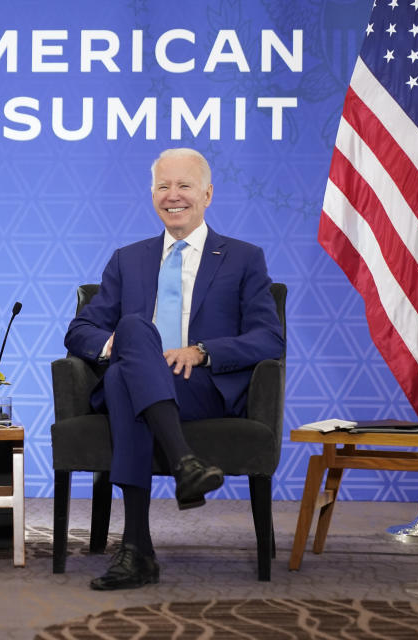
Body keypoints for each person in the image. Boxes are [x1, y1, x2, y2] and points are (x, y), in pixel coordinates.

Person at [64, 148, 284, 590]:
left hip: (197, 387)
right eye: (163, 186)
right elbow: (80, 329)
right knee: (131, 333)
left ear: (207, 193)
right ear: (152, 195)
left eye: (184, 185)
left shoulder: (243, 258)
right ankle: (185, 464)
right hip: (135, 377)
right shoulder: (128, 259)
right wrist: (124, 345)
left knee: (128, 380)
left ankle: (138, 550)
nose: (173, 195)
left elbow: (269, 337)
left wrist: (202, 351)